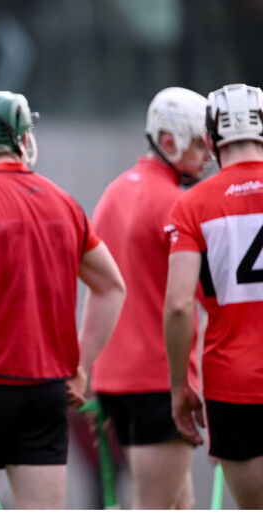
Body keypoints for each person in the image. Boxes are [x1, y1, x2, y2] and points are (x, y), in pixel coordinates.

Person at [0, 91, 126, 510]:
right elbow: (111, 286)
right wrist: (81, 367)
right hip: (45, 394)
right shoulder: (65, 205)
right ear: (25, 140)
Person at [89, 87, 211, 509]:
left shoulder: (114, 193)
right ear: (169, 141)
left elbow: (97, 288)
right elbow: (204, 297)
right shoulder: (179, 205)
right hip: (160, 382)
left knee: (179, 506)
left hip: (113, 381)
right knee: (153, 508)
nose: (208, 155)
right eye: (199, 144)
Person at [164, 83, 263, 509]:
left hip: (233, 385)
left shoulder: (193, 204)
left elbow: (179, 305)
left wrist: (179, 387)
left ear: (209, 139)